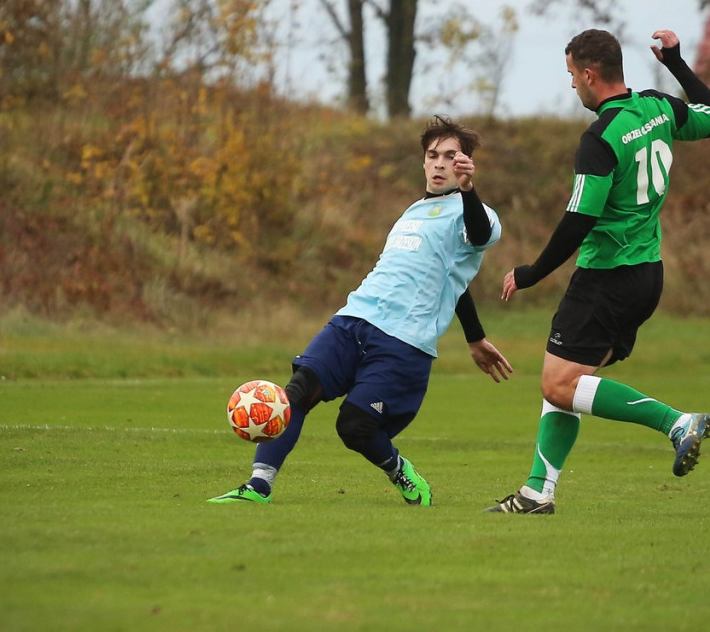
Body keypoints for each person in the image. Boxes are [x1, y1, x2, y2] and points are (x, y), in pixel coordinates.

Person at [209, 115, 511, 507]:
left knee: (353, 427)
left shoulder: (478, 213)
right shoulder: (412, 213)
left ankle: (399, 469)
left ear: (465, 165)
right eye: (433, 155)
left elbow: (480, 236)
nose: (440, 163)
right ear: (423, 161)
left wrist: (470, 191)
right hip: (354, 319)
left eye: (451, 156)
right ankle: (258, 486)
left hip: (404, 341)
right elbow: (453, 282)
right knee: (296, 392)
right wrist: (475, 337)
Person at [486, 29, 710, 515]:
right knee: (568, 380)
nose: (573, 85)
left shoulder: (600, 139)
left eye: (572, 75)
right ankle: (538, 492)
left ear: (589, 75)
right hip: (646, 275)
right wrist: (677, 66)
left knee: (558, 384)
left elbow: (579, 220)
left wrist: (532, 272)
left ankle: (676, 423)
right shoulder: (657, 107)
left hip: (607, 277)